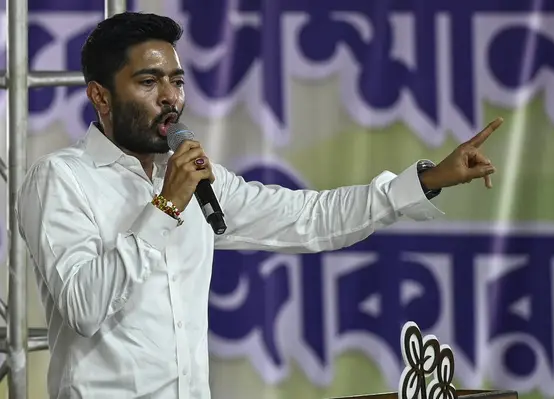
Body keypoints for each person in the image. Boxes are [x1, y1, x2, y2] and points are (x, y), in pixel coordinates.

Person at [16, 11, 501, 399]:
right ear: (100, 96)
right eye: (148, 82)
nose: (170, 99)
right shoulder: (61, 179)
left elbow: (308, 218)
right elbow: (83, 306)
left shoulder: (192, 179)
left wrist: (429, 180)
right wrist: (165, 207)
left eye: (177, 81)